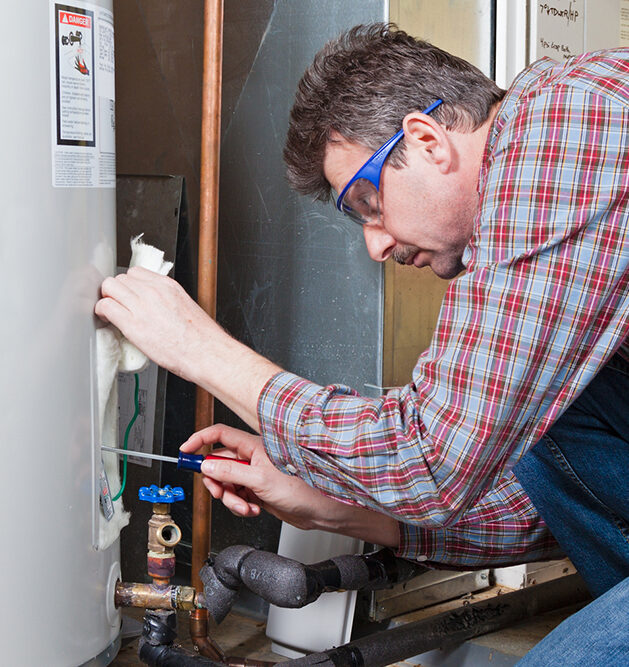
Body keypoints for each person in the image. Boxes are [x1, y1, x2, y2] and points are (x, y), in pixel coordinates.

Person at [96, 24, 629, 662]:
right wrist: (338, 509)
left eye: (367, 203)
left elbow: (430, 455)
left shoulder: (572, 125)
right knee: (536, 420)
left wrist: (200, 350)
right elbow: (567, 507)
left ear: (427, 141)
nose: (375, 244)